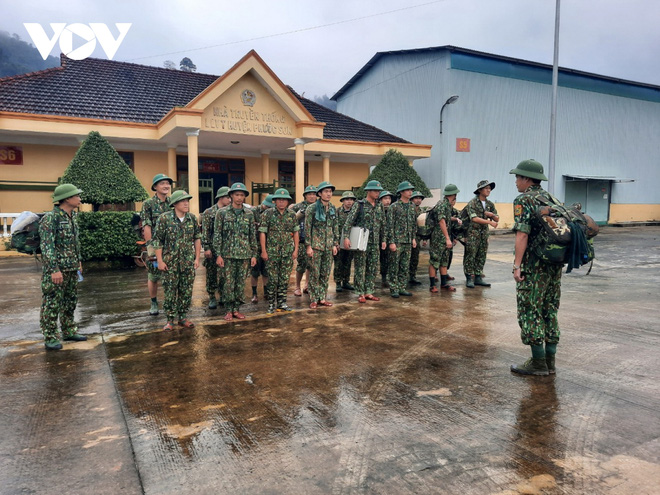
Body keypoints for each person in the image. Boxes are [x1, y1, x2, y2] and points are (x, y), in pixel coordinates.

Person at [510, 159, 561, 376]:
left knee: (530, 309)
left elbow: (522, 233)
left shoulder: (523, 200)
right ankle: (550, 361)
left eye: (518, 177)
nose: (516, 182)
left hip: (534, 265)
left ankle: (538, 362)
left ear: (527, 179)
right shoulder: (551, 198)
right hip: (554, 264)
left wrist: (517, 266)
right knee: (549, 308)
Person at [39, 184, 86, 350]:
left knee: (70, 301)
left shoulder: (72, 217)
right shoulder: (51, 218)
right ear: (67, 198)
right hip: (57, 270)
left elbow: (75, 243)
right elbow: (47, 247)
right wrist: (54, 270)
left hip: (71, 268)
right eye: (77, 196)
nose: (80, 198)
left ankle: (68, 330)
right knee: (52, 303)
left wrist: (78, 262)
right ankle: (50, 336)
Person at [153, 190, 202, 331]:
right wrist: (160, 261)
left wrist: (197, 258)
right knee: (170, 291)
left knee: (186, 291)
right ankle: (169, 320)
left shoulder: (192, 218)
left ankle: (183, 317)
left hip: (187, 262)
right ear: (174, 204)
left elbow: (197, 238)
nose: (186, 203)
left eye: (187, 200)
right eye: (182, 201)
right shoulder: (164, 218)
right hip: (170, 263)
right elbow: (158, 241)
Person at [214, 183, 258, 321]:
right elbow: (217, 234)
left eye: (242, 195)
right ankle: (228, 309)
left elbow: (252, 236)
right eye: (237, 194)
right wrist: (218, 254)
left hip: (244, 254)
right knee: (228, 283)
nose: (239, 198)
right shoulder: (221, 213)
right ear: (231, 196)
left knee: (240, 283)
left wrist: (253, 254)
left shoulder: (249, 214)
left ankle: (236, 309)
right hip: (227, 255)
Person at [342, 180, 386, 303]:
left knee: (372, 267)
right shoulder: (359, 205)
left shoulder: (379, 205)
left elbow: (383, 224)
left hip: (375, 241)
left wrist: (384, 239)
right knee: (360, 267)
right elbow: (349, 222)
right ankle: (360, 292)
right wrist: (346, 237)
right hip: (362, 241)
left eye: (379, 191)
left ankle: (369, 291)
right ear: (368, 191)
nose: (378, 193)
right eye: (375, 191)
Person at [259, 189, 299, 314]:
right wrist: (264, 250)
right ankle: (271, 304)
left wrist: (296, 249)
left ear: (287, 201)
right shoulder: (267, 214)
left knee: (284, 279)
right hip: (272, 252)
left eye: (284, 200)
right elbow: (263, 232)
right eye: (279, 200)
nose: (281, 202)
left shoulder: (292, 214)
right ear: (275, 201)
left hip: (287, 252)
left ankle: (282, 303)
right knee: (272, 279)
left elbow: (296, 232)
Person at [140, 173, 173, 315]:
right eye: (162, 183)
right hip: (155, 243)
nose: (166, 186)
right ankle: (153, 302)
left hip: (172, 245)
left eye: (168, 183)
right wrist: (151, 247)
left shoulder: (172, 202)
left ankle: (170, 302)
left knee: (171, 274)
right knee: (154, 276)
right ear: (155, 187)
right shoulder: (148, 204)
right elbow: (146, 225)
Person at [305, 181, 340, 309]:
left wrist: (335, 244)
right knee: (315, 272)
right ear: (319, 193)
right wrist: (308, 246)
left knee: (325, 273)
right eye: (326, 191)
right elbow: (308, 228)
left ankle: (322, 298)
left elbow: (335, 227)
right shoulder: (312, 208)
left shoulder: (332, 208)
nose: (328, 194)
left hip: (329, 246)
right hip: (316, 246)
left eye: (330, 191)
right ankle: (314, 298)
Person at [464, 180, 499, 288]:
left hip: (484, 234)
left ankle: (478, 277)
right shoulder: (472, 203)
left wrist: (491, 215)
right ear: (479, 190)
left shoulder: (489, 204)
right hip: (473, 234)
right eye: (486, 188)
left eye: (489, 188)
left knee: (481, 255)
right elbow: (474, 218)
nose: (488, 190)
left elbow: (497, 218)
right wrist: (489, 221)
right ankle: (469, 278)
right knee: (471, 255)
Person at [201, 186, 230, 309]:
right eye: (228, 197)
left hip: (226, 247)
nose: (230, 200)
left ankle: (223, 294)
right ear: (221, 198)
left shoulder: (229, 211)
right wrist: (206, 247)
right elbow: (205, 231)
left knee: (224, 272)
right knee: (212, 273)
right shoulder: (209, 212)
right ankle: (212, 296)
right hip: (212, 248)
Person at [386, 181, 417, 298]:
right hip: (397, 241)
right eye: (408, 190)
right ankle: (394, 288)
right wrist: (392, 241)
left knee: (405, 265)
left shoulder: (412, 206)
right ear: (401, 192)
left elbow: (414, 224)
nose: (410, 192)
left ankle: (402, 287)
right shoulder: (394, 207)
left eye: (411, 190)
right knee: (394, 265)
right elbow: (390, 225)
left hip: (408, 241)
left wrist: (413, 238)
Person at [429, 184, 459, 292]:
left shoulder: (447, 206)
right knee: (434, 260)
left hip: (445, 237)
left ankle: (444, 283)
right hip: (438, 238)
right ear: (451, 195)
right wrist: (447, 238)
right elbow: (441, 221)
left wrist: (455, 219)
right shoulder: (441, 204)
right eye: (455, 194)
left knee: (444, 260)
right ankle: (432, 285)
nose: (456, 197)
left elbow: (446, 218)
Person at [291, 185, 317, 297]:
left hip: (315, 240)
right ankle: (297, 287)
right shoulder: (299, 206)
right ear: (305, 195)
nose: (312, 196)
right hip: (302, 240)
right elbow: (289, 218)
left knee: (311, 265)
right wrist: (298, 215)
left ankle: (307, 285)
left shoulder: (318, 206)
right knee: (301, 264)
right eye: (309, 194)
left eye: (314, 194)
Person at [250, 194, 273, 303]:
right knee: (254, 272)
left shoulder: (273, 213)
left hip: (268, 246)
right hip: (255, 246)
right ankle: (254, 294)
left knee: (266, 271)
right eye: (268, 207)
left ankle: (266, 292)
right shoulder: (253, 212)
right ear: (264, 204)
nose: (269, 209)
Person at [334, 190, 356, 292]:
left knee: (348, 262)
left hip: (351, 241)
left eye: (351, 199)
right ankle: (338, 282)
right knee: (339, 263)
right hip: (339, 241)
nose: (349, 201)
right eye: (347, 199)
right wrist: (336, 242)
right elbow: (334, 227)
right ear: (343, 201)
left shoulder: (355, 212)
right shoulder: (337, 211)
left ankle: (346, 281)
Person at [378, 190, 395, 288]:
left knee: (388, 259)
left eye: (389, 198)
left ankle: (386, 278)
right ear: (380, 200)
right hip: (378, 239)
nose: (387, 201)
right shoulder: (378, 210)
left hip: (390, 239)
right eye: (385, 198)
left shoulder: (392, 210)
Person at [408, 191, 425, 285]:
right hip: (407, 236)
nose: (418, 200)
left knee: (415, 257)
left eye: (420, 198)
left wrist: (425, 238)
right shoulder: (409, 209)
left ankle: (412, 276)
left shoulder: (422, 211)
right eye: (416, 198)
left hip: (417, 237)